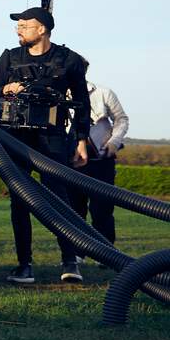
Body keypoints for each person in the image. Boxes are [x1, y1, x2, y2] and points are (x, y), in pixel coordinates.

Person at [0, 5, 92, 285]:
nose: (18, 29)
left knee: (59, 199)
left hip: (52, 138)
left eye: (24, 25)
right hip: (15, 137)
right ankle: (24, 266)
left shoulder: (69, 60)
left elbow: (83, 102)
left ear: (42, 28)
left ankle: (70, 262)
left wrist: (81, 140)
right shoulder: (9, 58)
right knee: (20, 200)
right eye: (17, 25)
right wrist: (6, 89)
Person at [71, 79, 129, 246]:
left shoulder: (104, 93)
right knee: (74, 208)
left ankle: (105, 252)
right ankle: (77, 252)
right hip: (71, 160)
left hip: (101, 159)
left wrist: (114, 142)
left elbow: (121, 119)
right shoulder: (57, 94)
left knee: (102, 209)